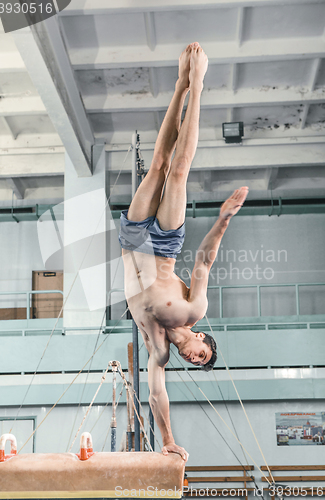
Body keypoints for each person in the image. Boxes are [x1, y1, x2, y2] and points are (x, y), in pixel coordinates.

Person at [119, 43, 249, 461]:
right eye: (202, 353)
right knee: (173, 168)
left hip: (133, 243)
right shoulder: (193, 310)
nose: (194, 358)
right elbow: (205, 261)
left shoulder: (158, 350)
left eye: (196, 361)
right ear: (201, 337)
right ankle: (194, 84)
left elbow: (157, 395)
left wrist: (169, 439)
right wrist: (223, 219)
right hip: (164, 247)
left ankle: (182, 82)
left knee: (156, 162)